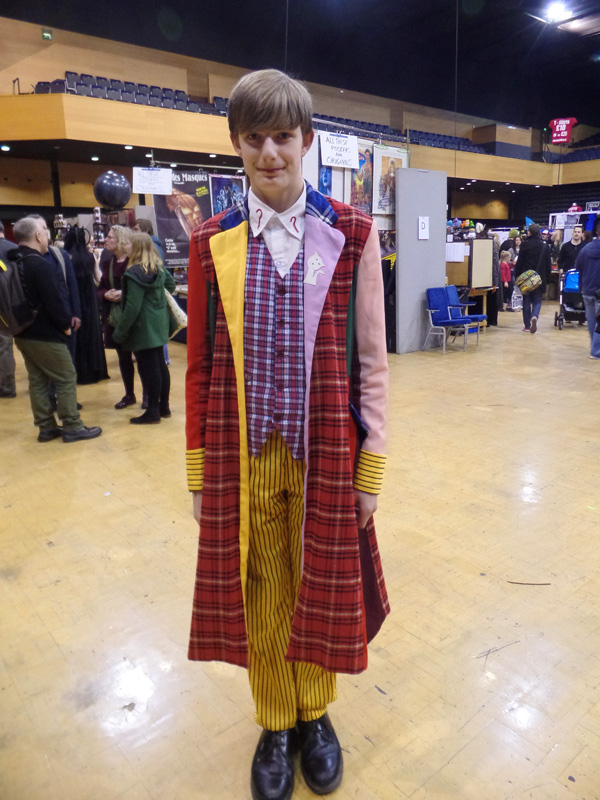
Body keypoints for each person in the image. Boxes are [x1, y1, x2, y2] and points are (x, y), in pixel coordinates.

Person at [185, 69, 389, 800]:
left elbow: (372, 360)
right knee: (262, 588)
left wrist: (372, 471)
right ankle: (276, 721)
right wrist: (201, 473)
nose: (270, 152)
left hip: (328, 452)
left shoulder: (354, 233)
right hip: (245, 456)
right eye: (254, 138)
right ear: (237, 145)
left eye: (283, 137)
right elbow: (202, 366)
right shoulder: (213, 242)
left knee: (320, 586)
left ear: (307, 141)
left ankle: (317, 715)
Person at [12, 216, 102, 442]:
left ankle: (45, 426)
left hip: (22, 332)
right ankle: (72, 425)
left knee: (38, 380)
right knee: (66, 377)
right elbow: (54, 302)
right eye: (43, 230)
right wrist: (66, 326)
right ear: (38, 236)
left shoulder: (14, 260)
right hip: (46, 333)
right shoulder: (39, 264)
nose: (46, 234)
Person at [111, 233, 175, 424]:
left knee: (149, 368)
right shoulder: (158, 267)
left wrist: (120, 332)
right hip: (159, 321)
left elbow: (132, 307)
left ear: (137, 247)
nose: (126, 246)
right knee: (160, 365)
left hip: (142, 326)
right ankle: (164, 406)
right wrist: (155, 301)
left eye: (129, 243)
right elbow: (170, 286)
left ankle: (152, 411)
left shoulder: (133, 274)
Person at [97, 225, 138, 408]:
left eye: (110, 237)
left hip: (135, 317)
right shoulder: (108, 262)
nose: (106, 239)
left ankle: (149, 397)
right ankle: (129, 394)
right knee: (123, 358)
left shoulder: (134, 262)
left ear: (121, 239)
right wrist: (106, 294)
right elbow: (100, 289)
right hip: (115, 318)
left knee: (143, 358)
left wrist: (124, 294)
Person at [64, 226, 109, 384]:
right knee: (92, 333)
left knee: (77, 335)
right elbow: (99, 278)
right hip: (90, 299)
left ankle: (78, 371)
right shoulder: (90, 257)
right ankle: (94, 371)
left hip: (73, 299)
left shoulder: (66, 257)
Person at [514, 223, 551, 334]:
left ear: (529, 232)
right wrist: (547, 280)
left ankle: (527, 325)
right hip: (539, 278)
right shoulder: (544, 246)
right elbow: (548, 265)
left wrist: (517, 278)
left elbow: (519, 263)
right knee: (537, 300)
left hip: (526, 278)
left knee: (526, 301)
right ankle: (534, 316)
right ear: (539, 232)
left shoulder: (525, 245)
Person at [575, 223, 600, 358]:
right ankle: (596, 351)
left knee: (591, 320)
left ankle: (594, 348)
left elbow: (578, 267)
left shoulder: (585, 249)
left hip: (587, 290)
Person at [0, 221, 18, 397]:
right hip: (13, 305)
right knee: (5, 346)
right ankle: (6, 387)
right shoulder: (14, 249)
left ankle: (5, 388)